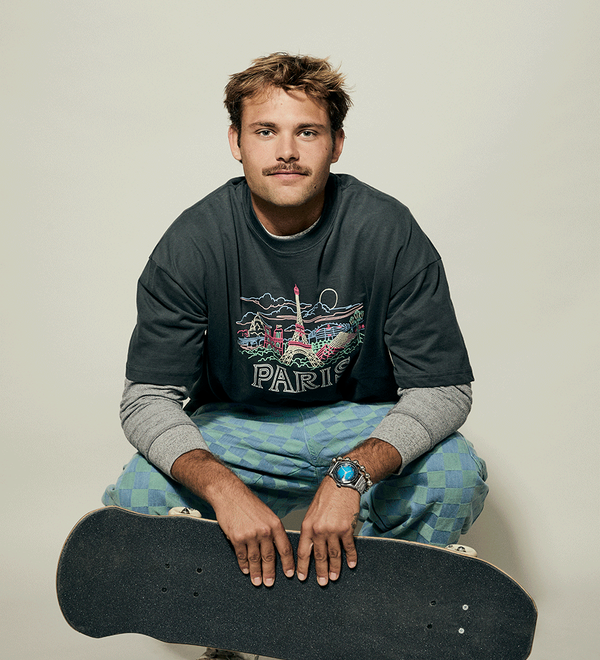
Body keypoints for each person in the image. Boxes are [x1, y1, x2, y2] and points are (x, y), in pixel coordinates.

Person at [103, 53, 488, 657]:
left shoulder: (387, 229)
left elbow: (443, 388)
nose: (286, 151)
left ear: (336, 144)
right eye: (265, 131)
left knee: (455, 476)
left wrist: (350, 476)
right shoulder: (192, 242)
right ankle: (234, 629)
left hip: (357, 422)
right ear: (236, 142)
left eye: (307, 132)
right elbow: (147, 398)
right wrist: (225, 491)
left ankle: (363, 615)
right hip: (239, 427)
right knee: (137, 499)